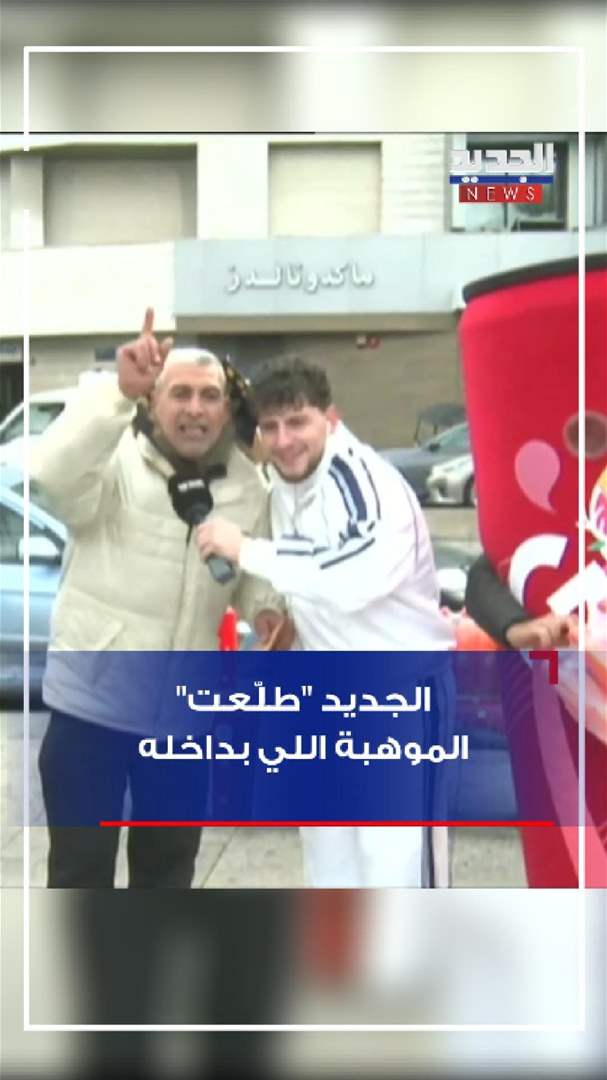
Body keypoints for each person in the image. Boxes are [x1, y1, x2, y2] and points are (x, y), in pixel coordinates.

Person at [31, 308, 285, 889]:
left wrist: (268, 610)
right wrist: (116, 391)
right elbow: (52, 473)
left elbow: (251, 575)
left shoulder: (248, 487)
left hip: (183, 722)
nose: (195, 408)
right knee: (79, 873)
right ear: (153, 401)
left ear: (226, 408)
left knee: (168, 875)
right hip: (91, 708)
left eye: (210, 395)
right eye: (180, 394)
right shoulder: (113, 462)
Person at [196, 356, 455, 887]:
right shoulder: (283, 483)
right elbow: (311, 575)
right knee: (331, 869)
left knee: (397, 871)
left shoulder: (363, 478)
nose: (284, 440)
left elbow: (356, 577)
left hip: (397, 700)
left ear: (330, 418)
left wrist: (246, 549)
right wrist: (286, 618)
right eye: (270, 427)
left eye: (298, 422)